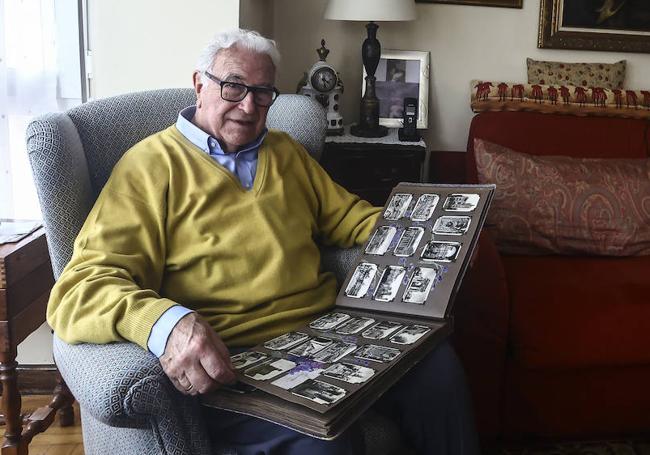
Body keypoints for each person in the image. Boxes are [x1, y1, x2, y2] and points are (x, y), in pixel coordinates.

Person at [46, 29, 479, 455]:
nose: (249, 105)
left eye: (263, 91)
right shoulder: (148, 167)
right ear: (200, 84)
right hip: (237, 366)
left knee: (439, 372)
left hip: (333, 339)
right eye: (234, 86)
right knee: (325, 441)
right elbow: (78, 290)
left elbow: (351, 219)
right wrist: (168, 324)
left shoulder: (287, 153)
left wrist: (443, 232)